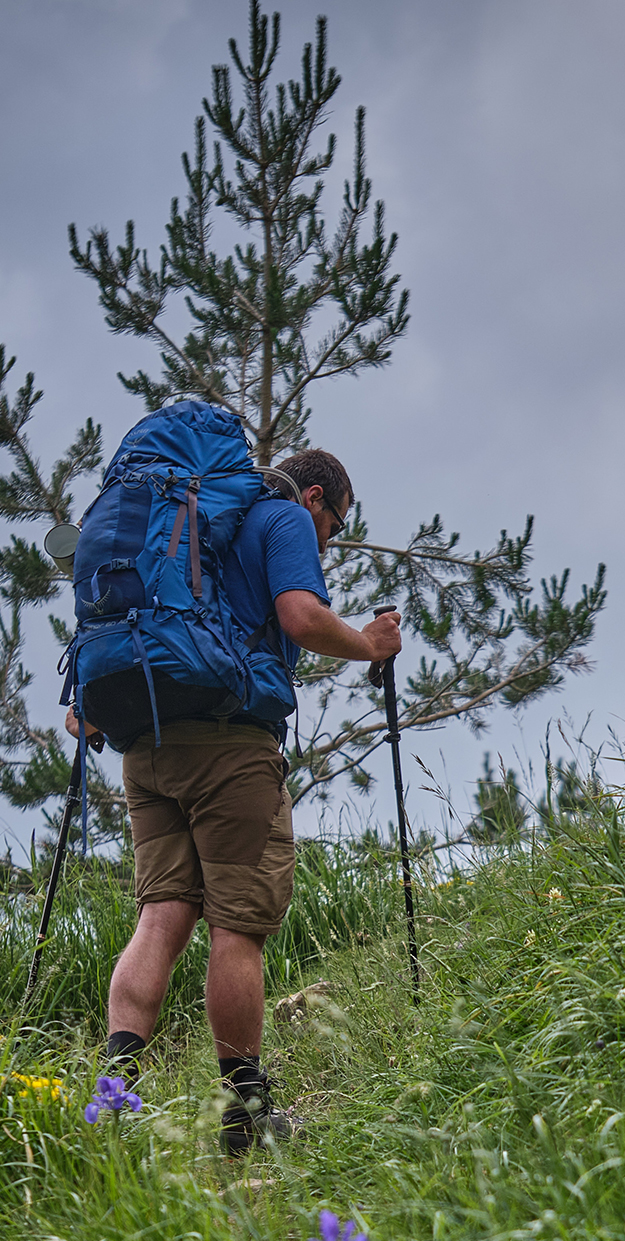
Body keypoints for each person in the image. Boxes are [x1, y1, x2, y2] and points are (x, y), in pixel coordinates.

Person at [65, 446, 401, 1154]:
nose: (327, 543)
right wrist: (370, 646)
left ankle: (114, 1097)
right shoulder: (280, 518)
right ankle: (245, 1117)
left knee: (160, 918)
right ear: (315, 498)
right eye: (333, 529)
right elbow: (303, 618)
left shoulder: (179, 525)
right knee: (235, 928)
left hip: (147, 746)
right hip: (230, 743)